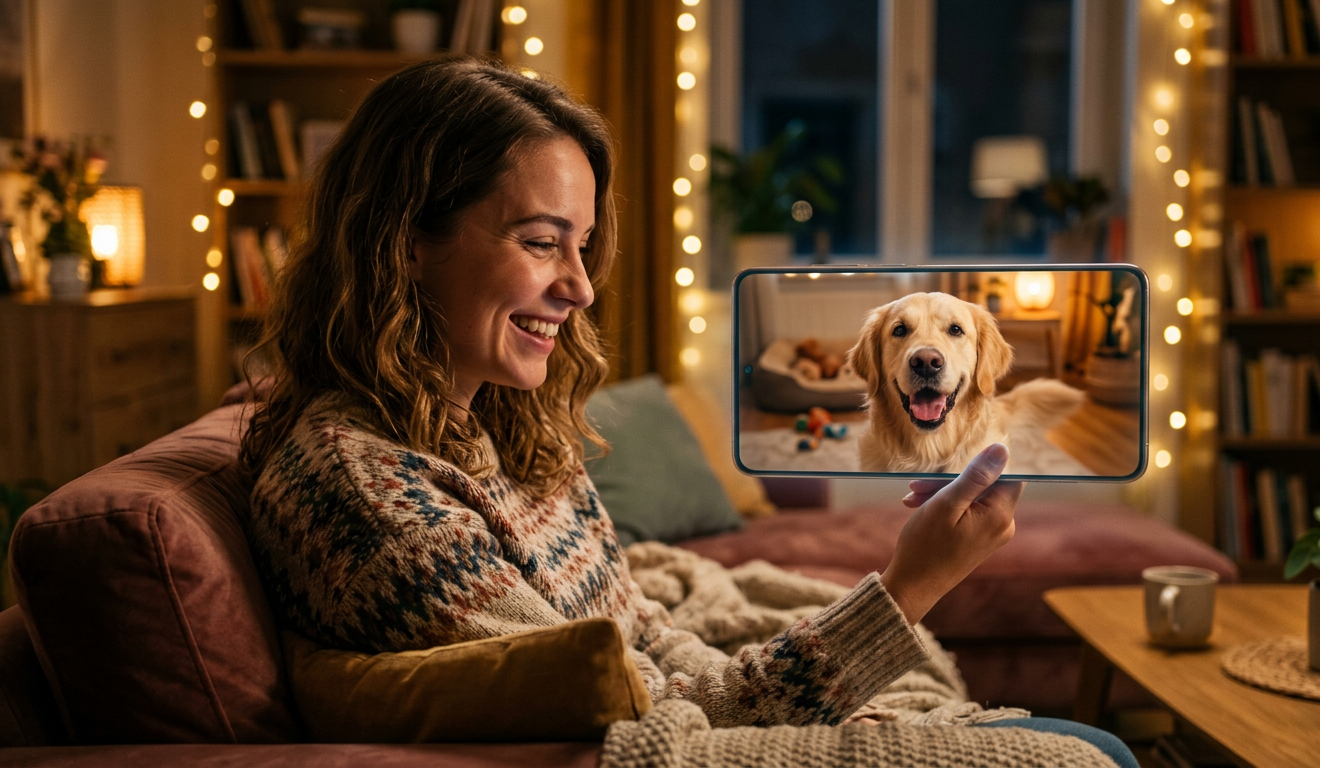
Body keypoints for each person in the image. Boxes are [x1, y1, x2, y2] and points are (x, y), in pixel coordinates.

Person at [239, 57, 1135, 766]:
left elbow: (650, 643)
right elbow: (661, 723)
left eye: (582, 246)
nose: (581, 287)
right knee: (1093, 753)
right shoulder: (365, 495)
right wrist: (912, 586)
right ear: (405, 242)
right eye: (542, 241)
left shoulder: (500, 431)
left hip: (707, 700)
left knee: (1090, 746)